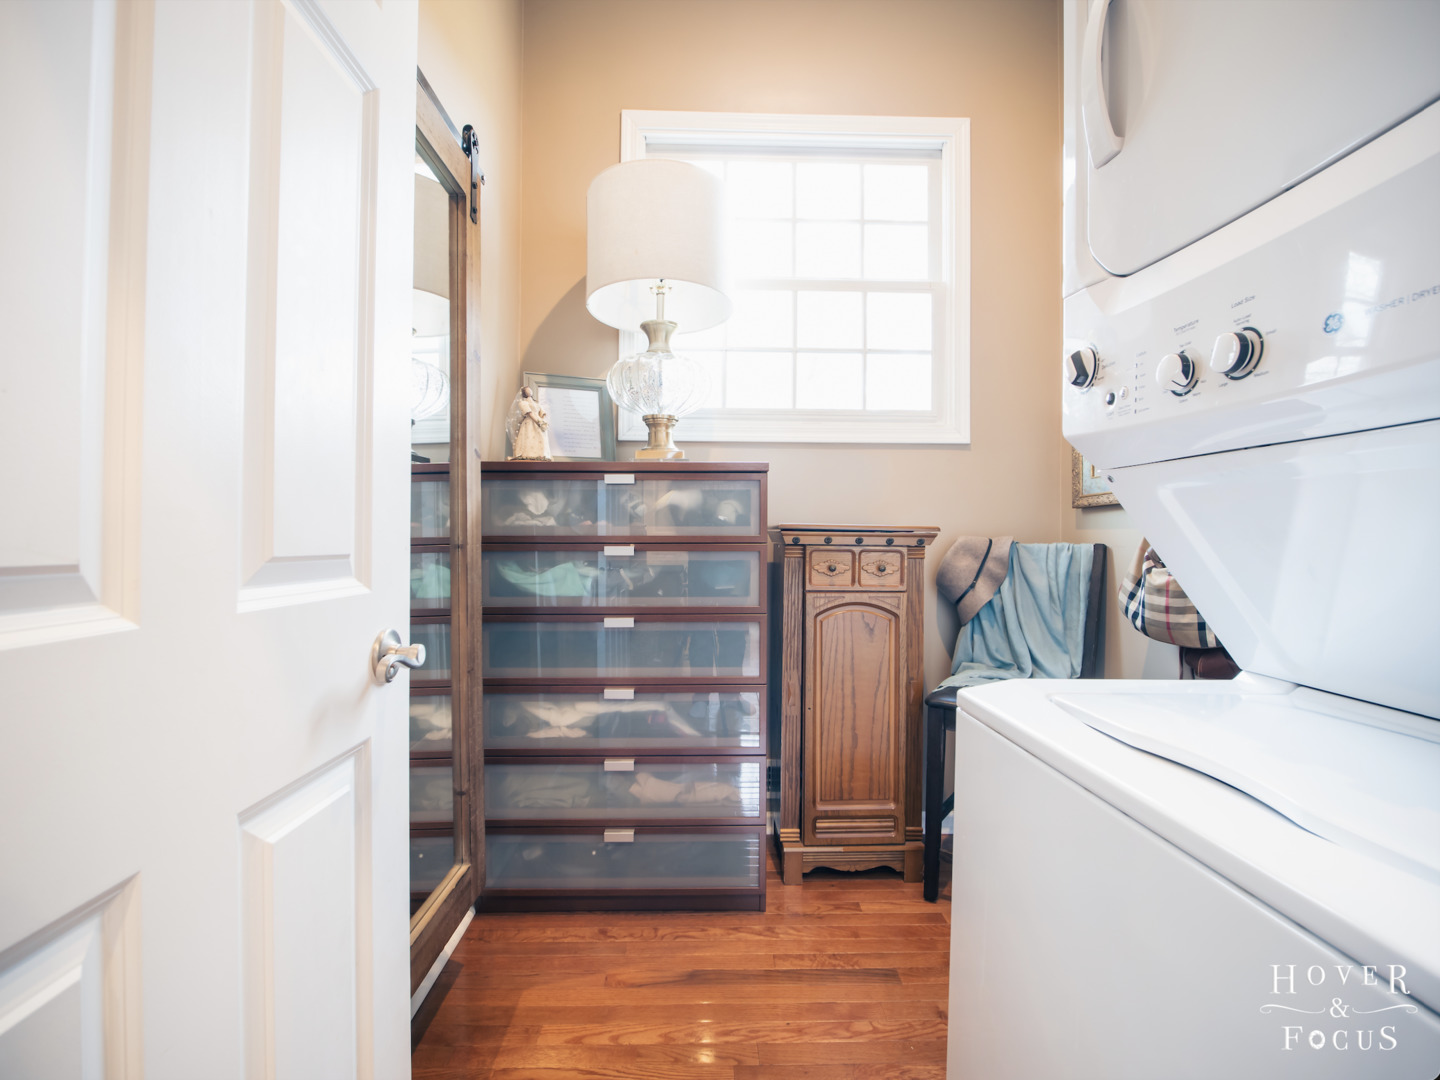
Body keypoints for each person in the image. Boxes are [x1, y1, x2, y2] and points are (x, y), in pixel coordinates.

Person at [508, 386, 552, 460]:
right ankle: (529, 455)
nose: (529, 391)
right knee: (530, 436)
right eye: (527, 390)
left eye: (530, 389)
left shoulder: (536, 402)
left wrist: (542, 419)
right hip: (530, 422)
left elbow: (541, 411)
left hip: (538, 419)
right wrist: (538, 422)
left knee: (541, 437)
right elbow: (529, 413)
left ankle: (541, 454)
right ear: (524, 392)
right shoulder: (523, 402)